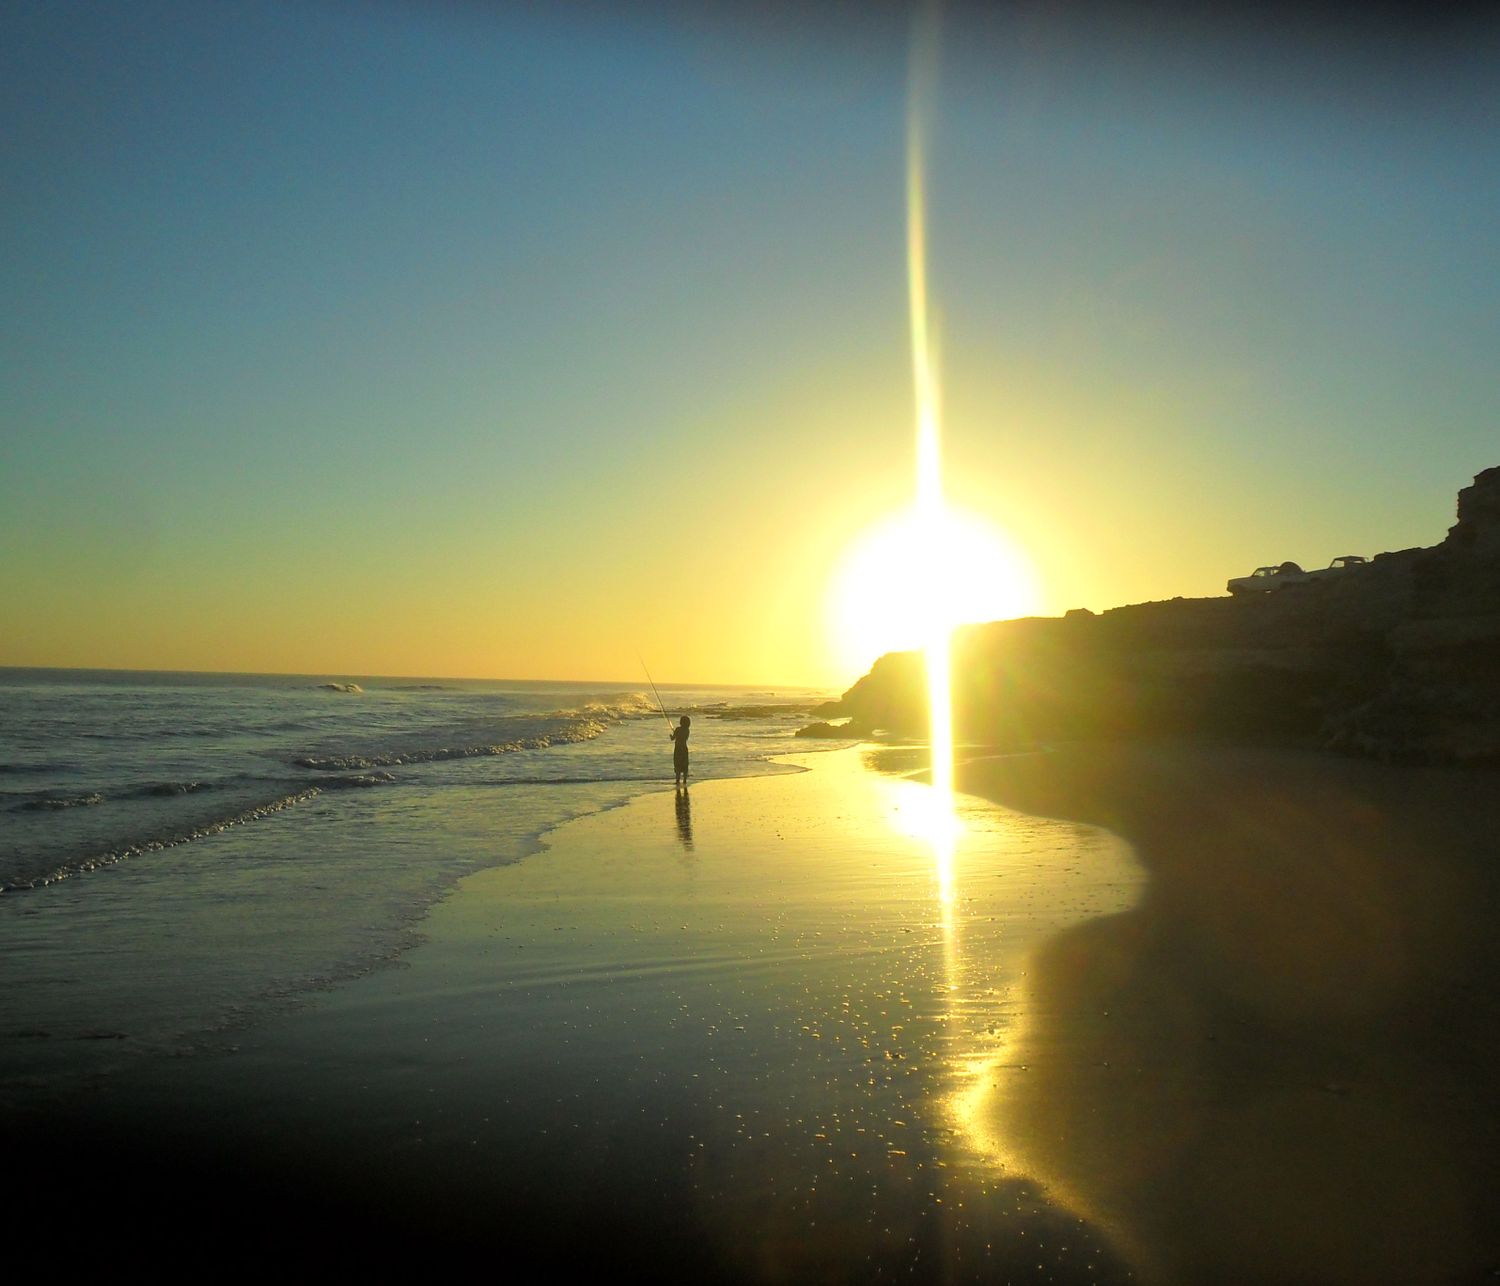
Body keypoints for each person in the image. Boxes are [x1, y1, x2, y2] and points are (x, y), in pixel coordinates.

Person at [669, 715, 690, 788]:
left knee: (677, 765)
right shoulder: (687, 730)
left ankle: (677, 780)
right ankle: (684, 780)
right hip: (684, 749)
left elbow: (673, 738)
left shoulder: (677, 729)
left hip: (677, 749)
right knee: (685, 764)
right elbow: (686, 738)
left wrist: (671, 735)